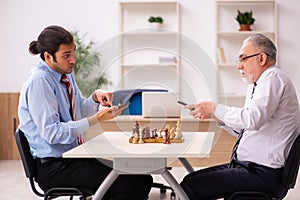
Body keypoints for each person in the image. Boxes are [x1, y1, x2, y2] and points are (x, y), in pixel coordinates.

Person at [18, 25, 153, 200]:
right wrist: (96, 119)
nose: (73, 60)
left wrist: (96, 98)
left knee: (143, 179)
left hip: (73, 157)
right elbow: (52, 133)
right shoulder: (39, 82)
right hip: (54, 167)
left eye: (73, 52)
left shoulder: (64, 73)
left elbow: (78, 110)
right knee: (129, 186)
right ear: (48, 57)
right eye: (66, 56)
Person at [180, 34, 300, 200]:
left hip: (262, 174)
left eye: (243, 59)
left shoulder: (273, 78)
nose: (238, 66)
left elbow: (252, 119)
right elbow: (247, 128)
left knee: (190, 187)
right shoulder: (259, 83)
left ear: (261, 58)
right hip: (252, 169)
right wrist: (215, 115)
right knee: (189, 181)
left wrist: (216, 109)